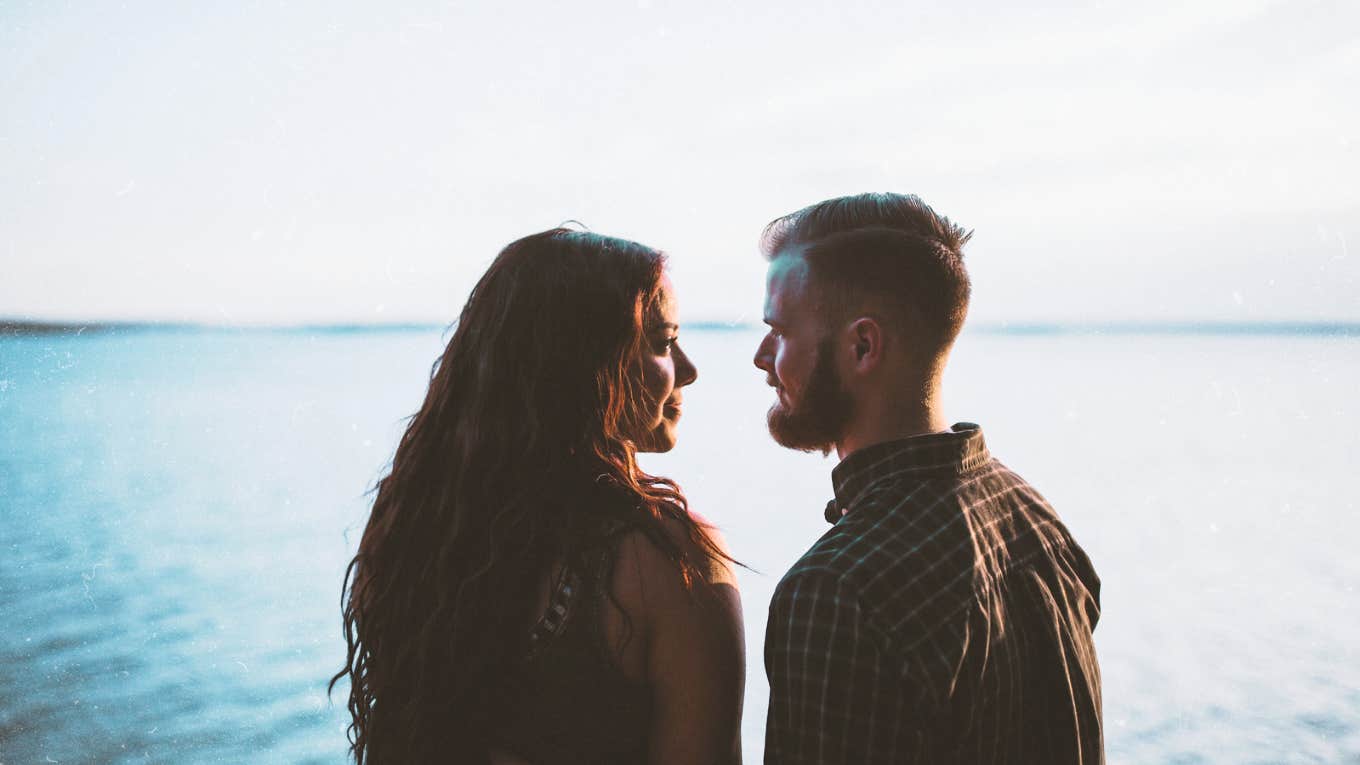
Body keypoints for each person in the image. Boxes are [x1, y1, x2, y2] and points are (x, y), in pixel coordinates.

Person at [332, 228, 745, 765]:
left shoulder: (412, 526)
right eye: (664, 342)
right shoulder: (672, 561)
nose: (688, 370)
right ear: (587, 362)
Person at [753, 193, 1103, 763]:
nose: (762, 356)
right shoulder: (1037, 520)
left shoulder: (838, 589)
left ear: (862, 346)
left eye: (781, 331)